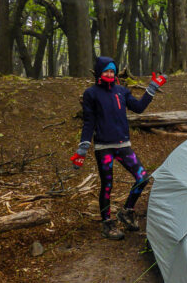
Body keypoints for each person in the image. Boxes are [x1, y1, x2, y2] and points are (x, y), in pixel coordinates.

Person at [70, 56, 166, 240]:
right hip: (103, 147)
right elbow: (89, 122)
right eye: (106, 70)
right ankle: (107, 223)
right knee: (107, 185)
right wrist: (82, 148)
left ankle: (127, 211)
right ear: (99, 72)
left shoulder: (121, 91)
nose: (109, 74)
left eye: (112, 71)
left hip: (123, 145)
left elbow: (138, 108)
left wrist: (152, 88)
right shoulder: (91, 94)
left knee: (142, 178)